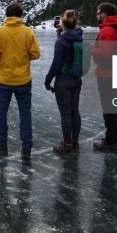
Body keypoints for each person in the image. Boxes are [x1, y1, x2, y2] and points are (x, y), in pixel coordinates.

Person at [0, 2, 41, 161]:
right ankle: (26, 147)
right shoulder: (27, 32)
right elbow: (36, 53)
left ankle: (2, 144)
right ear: (20, 15)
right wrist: (24, 59)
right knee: (25, 113)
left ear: (7, 15)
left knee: (1, 112)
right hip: (23, 80)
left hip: (4, 80)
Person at [44, 10, 88, 154]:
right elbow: (86, 65)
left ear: (62, 24)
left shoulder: (61, 42)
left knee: (65, 113)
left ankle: (67, 143)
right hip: (76, 80)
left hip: (63, 81)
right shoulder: (79, 39)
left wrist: (47, 80)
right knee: (75, 111)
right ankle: (74, 141)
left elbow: (56, 64)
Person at [90, 3, 117, 151]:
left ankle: (110, 140)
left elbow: (104, 52)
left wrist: (93, 48)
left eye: (98, 13)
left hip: (107, 74)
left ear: (104, 14)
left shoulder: (107, 30)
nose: (97, 16)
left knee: (109, 106)